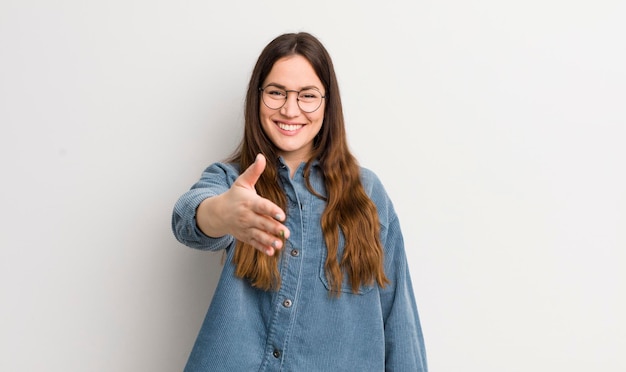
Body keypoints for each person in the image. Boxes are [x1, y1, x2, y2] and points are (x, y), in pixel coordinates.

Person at [171, 31, 427, 371]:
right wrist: (221, 214)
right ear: (257, 98)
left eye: (307, 96)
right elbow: (188, 217)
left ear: (327, 103)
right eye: (276, 93)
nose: (290, 110)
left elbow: (399, 320)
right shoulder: (234, 181)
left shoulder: (368, 193)